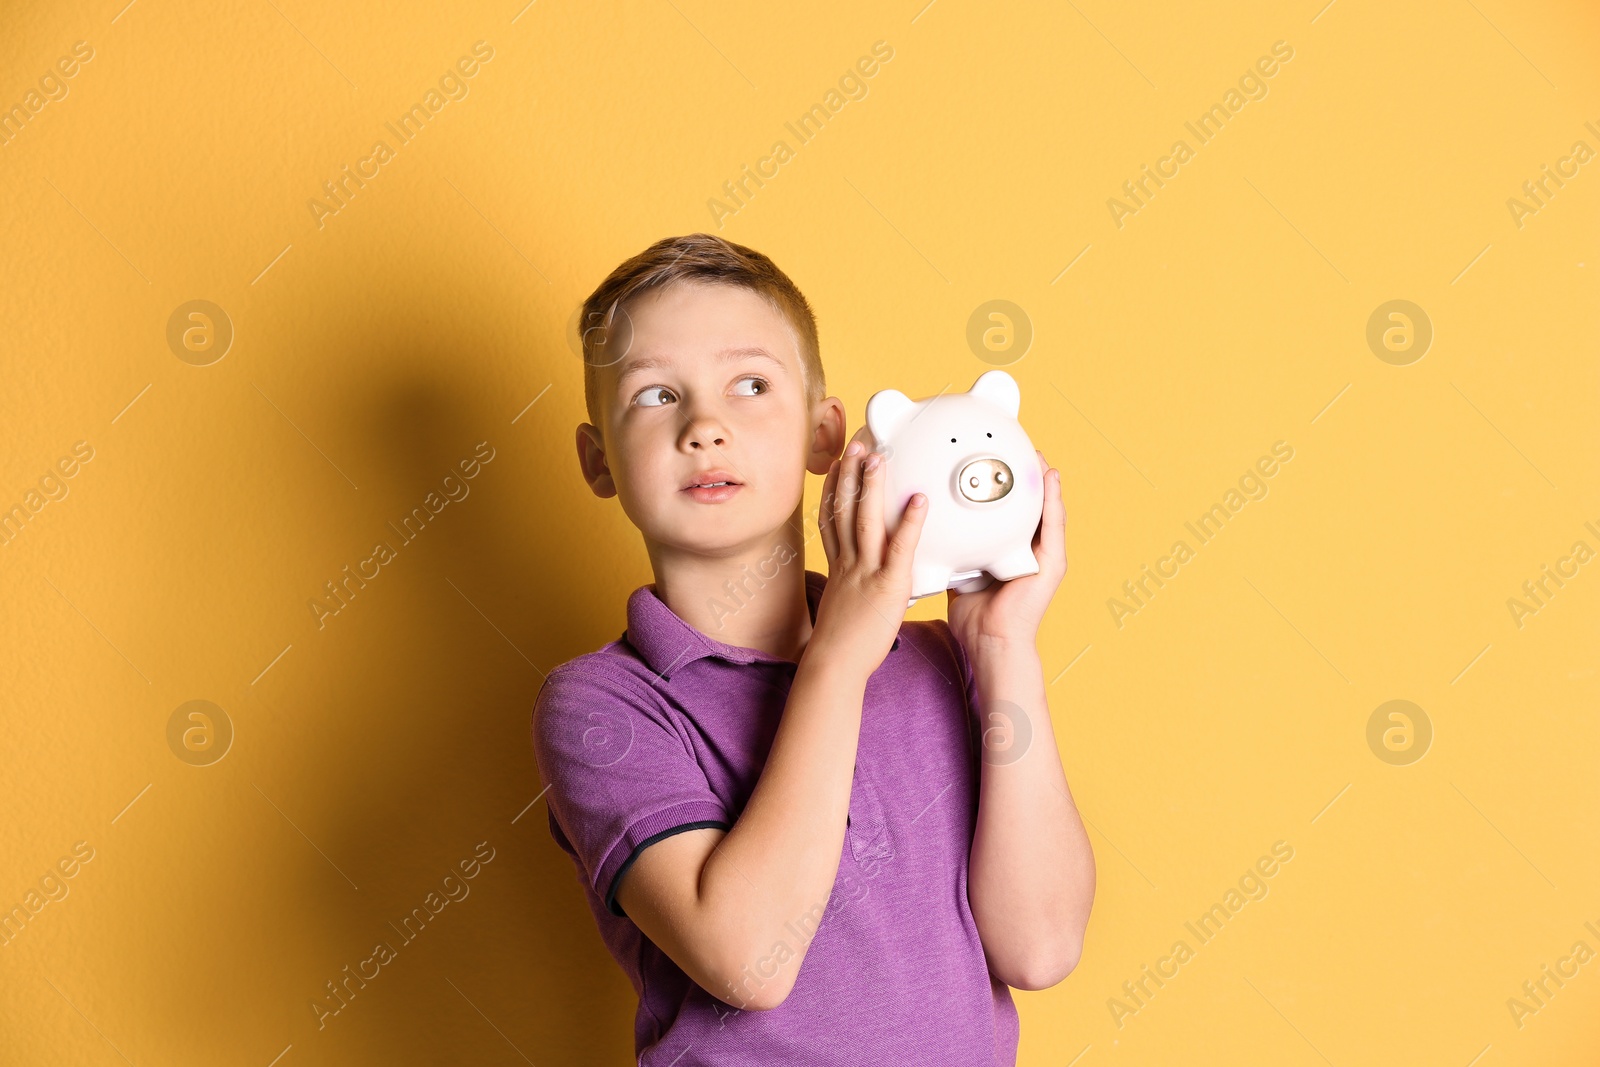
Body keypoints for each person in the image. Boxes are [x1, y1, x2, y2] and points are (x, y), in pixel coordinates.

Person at [531, 232, 1095, 1065]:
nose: (706, 426)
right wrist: (838, 658)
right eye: (656, 396)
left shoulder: (942, 664)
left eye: (751, 384)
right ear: (596, 459)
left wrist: (1003, 647)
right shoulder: (603, 704)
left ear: (826, 435)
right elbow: (748, 959)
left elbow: (1040, 947)